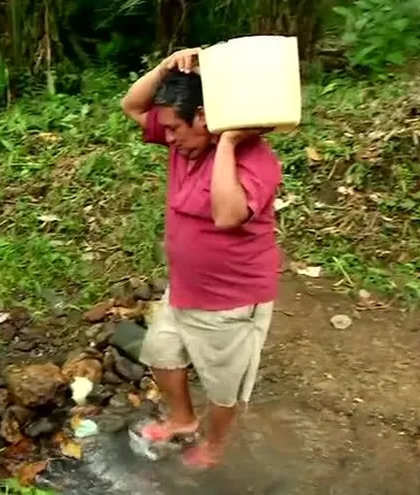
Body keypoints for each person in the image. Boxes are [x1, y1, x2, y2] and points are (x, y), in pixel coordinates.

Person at [121, 48, 282, 469]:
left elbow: (227, 215)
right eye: (166, 129)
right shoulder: (184, 142)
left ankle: (215, 445)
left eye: (175, 128)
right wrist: (165, 67)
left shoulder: (256, 160)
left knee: (222, 386)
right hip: (184, 289)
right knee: (161, 353)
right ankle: (182, 419)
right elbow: (132, 105)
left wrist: (227, 141)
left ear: (204, 117)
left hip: (230, 300)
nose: (168, 138)